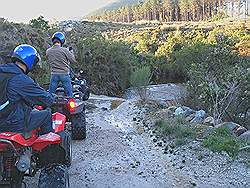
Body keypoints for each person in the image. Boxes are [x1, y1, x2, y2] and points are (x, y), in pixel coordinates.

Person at [0, 44, 54, 134]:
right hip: (11, 123)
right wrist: (52, 98)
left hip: (4, 117)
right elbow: (46, 99)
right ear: (30, 61)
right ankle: (48, 148)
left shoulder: (3, 71)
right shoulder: (21, 79)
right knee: (46, 114)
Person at [46, 32, 76, 97]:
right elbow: (73, 60)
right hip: (64, 74)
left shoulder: (48, 51)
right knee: (69, 95)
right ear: (62, 41)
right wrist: (71, 52)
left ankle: (49, 105)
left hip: (54, 74)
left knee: (50, 94)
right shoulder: (64, 50)